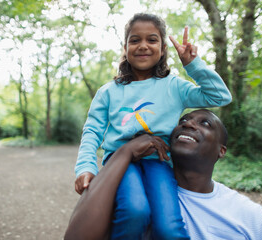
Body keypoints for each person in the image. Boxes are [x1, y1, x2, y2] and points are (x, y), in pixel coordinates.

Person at [75, 13, 232, 239]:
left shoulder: (174, 86)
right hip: (120, 161)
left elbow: (219, 97)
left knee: (169, 227)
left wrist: (192, 65)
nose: (143, 46)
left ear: (163, 48)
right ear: (125, 47)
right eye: (135, 40)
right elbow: (92, 131)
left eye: (152, 39)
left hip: (159, 162)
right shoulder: (109, 91)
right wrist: (85, 166)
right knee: (134, 210)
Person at [65, 109, 262, 240]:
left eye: (205, 123)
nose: (188, 123)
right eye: (183, 121)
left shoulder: (250, 215)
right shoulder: (133, 193)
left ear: (221, 150)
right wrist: (125, 151)